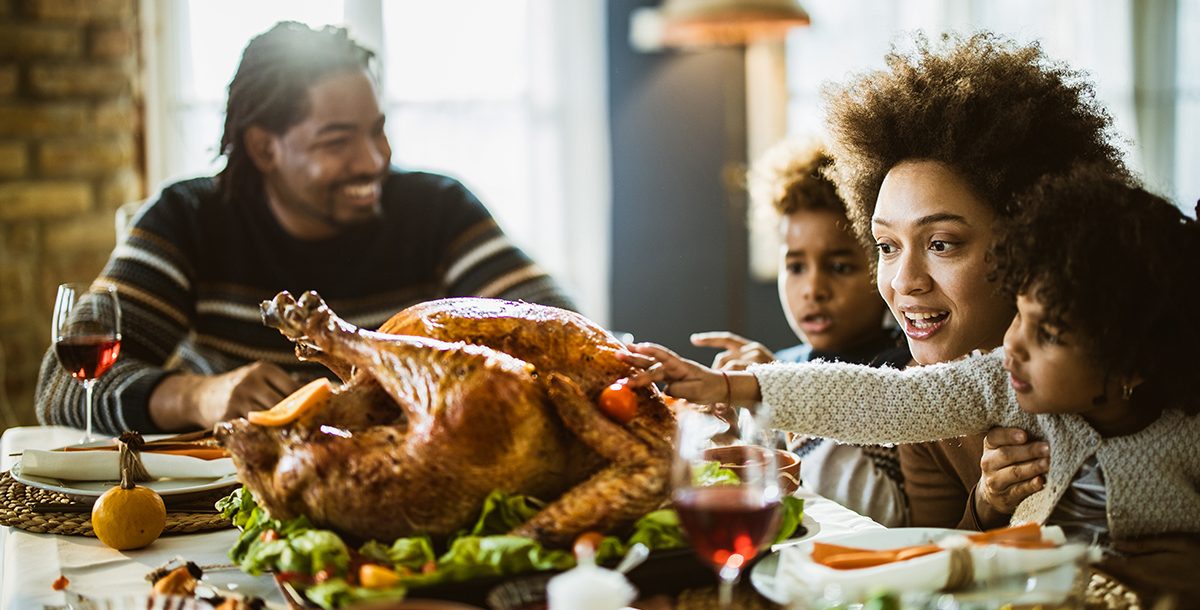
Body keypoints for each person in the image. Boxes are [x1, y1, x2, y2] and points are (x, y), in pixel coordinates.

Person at [622, 166, 1200, 603]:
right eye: (886, 246)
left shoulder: (1185, 430)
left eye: (1047, 332)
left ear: (1132, 364)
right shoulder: (995, 380)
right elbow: (887, 400)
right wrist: (731, 387)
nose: (1015, 345)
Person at [35, 22, 574, 436]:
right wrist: (198, 396)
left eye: (377, 132)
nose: (373, 162)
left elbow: (560, 332)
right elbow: (62, 387)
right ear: (265, 148)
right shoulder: (188, 219)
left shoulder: (440, 208)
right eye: (336, 141)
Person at [819, 32, 1130, 530]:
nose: (905, 281)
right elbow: (936, 565)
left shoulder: (1120, 372)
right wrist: (987, 505)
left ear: (1031, 238)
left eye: (941, 244)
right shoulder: (922, 403)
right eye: (887, 246)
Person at [690, 138, 907, 526]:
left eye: (839, 267)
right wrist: (729, 437)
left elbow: (882, 512)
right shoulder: (785, 360)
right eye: (795, 267)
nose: (813, 289)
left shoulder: (900, 375)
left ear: (883, 268)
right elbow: (777, 491)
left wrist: (783, 398)